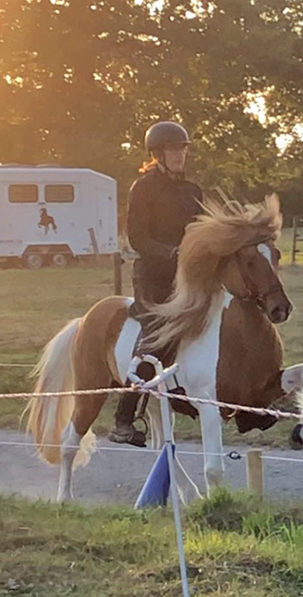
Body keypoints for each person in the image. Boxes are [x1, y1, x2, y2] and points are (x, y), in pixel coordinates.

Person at [109, 120, 205, 446]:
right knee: (156, 336)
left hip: (187, 278)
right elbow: (137, 237)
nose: (180, 155)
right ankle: (124, 417)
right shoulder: (143, 188)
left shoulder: (193, 191)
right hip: (152, 278)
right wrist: (171, 253)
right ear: (158, 154)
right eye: (173, 150)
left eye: (182, 149)